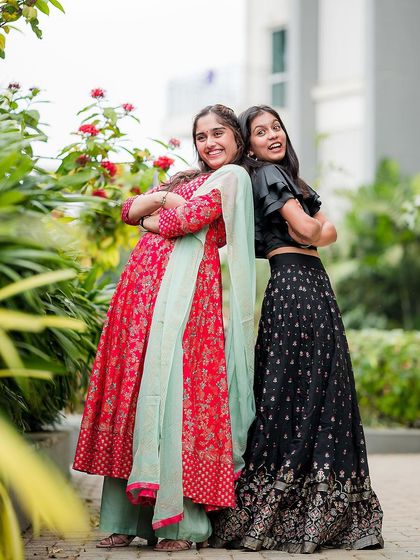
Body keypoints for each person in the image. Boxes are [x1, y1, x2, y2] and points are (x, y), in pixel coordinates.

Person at [73, 104, 256, 551]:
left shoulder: (233, 179)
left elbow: (182, 221)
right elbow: (127, 210)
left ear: (235, 137)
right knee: (139, 398)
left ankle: (179, 526)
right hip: (140, 302)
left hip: (187, 305)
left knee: (176, 401)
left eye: (218, 134)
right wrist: (162, 201)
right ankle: (123, 519)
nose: (209, 143)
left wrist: (157, 213)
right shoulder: (185, 181)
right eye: (201, 137)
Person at [211, 105, 384, 553]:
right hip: (297, 290)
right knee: (307, 394)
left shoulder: (288, 181)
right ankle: (292, 513)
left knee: (304, 392)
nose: (272, 136)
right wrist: (317, 231)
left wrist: (317, 232)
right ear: (248, 145)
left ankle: (300, 515)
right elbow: (314, 228)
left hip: (305, 287)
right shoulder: (267, 176)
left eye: (276, 127)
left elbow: (323, 230)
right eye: (260, 131)